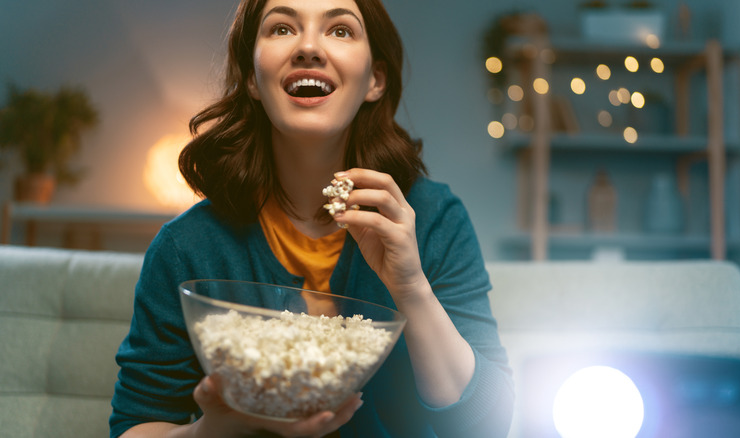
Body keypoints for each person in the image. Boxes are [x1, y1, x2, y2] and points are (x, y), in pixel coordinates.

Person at [109, 0, 514, 436]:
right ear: (251, 77)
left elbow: (487, 426)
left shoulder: (432, 219)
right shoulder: (187, 247)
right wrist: (215, 429)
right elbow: (134, 424)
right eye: (282, 28)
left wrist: (411, 287)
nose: (308, 47)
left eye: (340, 30)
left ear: (375, 80)